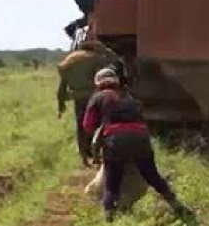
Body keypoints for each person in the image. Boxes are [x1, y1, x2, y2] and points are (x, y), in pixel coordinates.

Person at [82, 67, 193, 222]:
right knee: (153, 176)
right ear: (116, 81)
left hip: (115, 141)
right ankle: (177, 205)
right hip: (141, 137)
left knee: (112, 183)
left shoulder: (97, 97)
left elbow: (88, 125)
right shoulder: (129, 97)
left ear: (97, 82)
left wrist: (100, 136)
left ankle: (109, 217)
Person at [57, 40, 120, 167]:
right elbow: (115, 61)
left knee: (81, 126)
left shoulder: (69, 61)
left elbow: (62, 87)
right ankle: (97, 154)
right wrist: (105, 48)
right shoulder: (95, 58)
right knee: (98, 124)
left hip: (78, 97)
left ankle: (84, 157)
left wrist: (60, 103)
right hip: (94, 96)